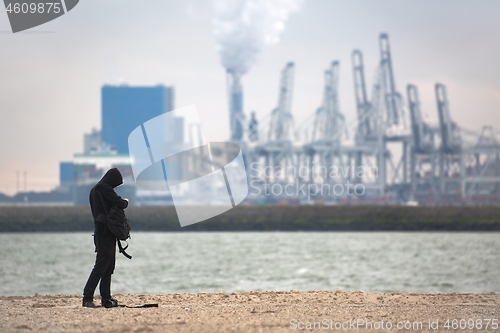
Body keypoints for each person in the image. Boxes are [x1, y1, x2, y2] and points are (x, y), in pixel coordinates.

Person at [82, 167, 129, 308]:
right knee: (101, 266)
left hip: (103, 232)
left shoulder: (94, 191)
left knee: (108, 267)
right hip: (105, 234)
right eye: (117, 184)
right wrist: (126, 201)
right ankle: (87, 297)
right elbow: (120, 203)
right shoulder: (104, 188)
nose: (116, 187)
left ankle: (106, 298)